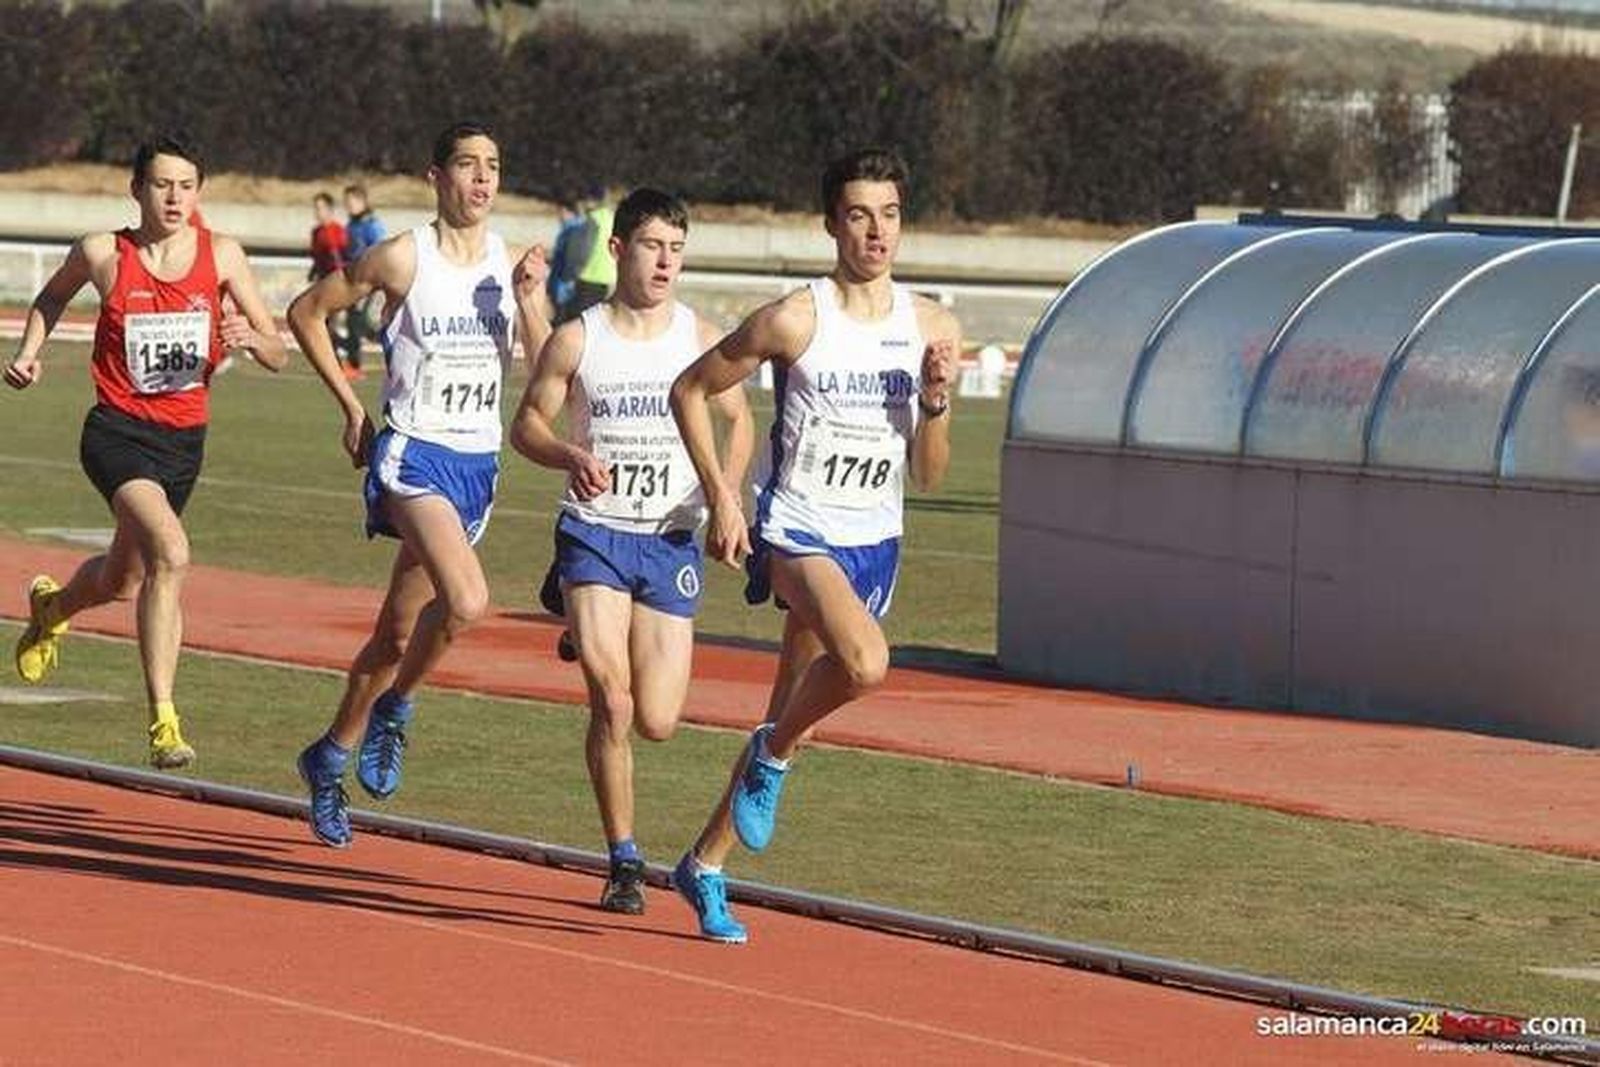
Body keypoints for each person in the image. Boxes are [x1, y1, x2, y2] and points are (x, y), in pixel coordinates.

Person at [665, 147, 959, 942]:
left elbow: (929, 473)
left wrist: (936, 400)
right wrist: (723, 495)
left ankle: (706, 863)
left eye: (890, 214)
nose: (876, 231)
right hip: (795, 526)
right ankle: (773, 757)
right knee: (864, 663)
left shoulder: (930, 325)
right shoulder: (796, 318)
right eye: (859, 214)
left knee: (789, 705)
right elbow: (688, 390)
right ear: (832, 222)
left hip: (875, 538)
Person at [288, 120, 551, 848]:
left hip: (477, 468)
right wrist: (350, 403)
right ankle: (398, 708)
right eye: (466, 165)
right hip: (412, 456)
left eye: (492, 166)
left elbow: (545, 373)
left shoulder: (509, 261)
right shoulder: (405, 257)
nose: (481, 178)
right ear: (436, 176)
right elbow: (306, 312)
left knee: (397, 632)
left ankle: (329, 753)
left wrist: (531, 299)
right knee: (467, 600)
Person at [5, 133, 289, 768]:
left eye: (186, 186)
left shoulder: (223, 257)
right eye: (162, 184)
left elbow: (277, 350)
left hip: (184, 442)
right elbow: (52, 296)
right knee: (173, 553)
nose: (174, 197)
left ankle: (52, 607)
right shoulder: (104, 252)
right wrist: (29, 351)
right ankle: (164, 721)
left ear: (199, 193)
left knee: (123, 578)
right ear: (137, 189)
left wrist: (249, 336)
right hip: (116, 432)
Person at [510, 187, 753, 913]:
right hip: (595, 532)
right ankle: (623, 860)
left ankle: (581, 626)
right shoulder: (579, 338)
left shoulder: (701, 337)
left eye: (677, 250)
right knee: (611, 702)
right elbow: (526, 425)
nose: (665, 262)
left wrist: (728, 495)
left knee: (658, 718)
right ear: (618, 249)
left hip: (670, 536)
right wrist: (567, 454)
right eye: (653, 246)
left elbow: (741, 420)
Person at [340, 183, 386, 379]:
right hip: (353, 279)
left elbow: (378, 249)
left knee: (361, 322)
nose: (348, 205)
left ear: (362, 202)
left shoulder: (371, 225)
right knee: (353, 321)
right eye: (346, 202)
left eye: (351, 201)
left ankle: (355, 363)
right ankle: (352, 363)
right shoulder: (351, 225)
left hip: (368, 280)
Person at [556, 184, 615, 323]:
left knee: (575, 322)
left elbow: (581, 252)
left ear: (590, 200)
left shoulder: (592, 220)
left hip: (589, 279)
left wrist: (568, 275)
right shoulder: (611, 218)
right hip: (608, 280)